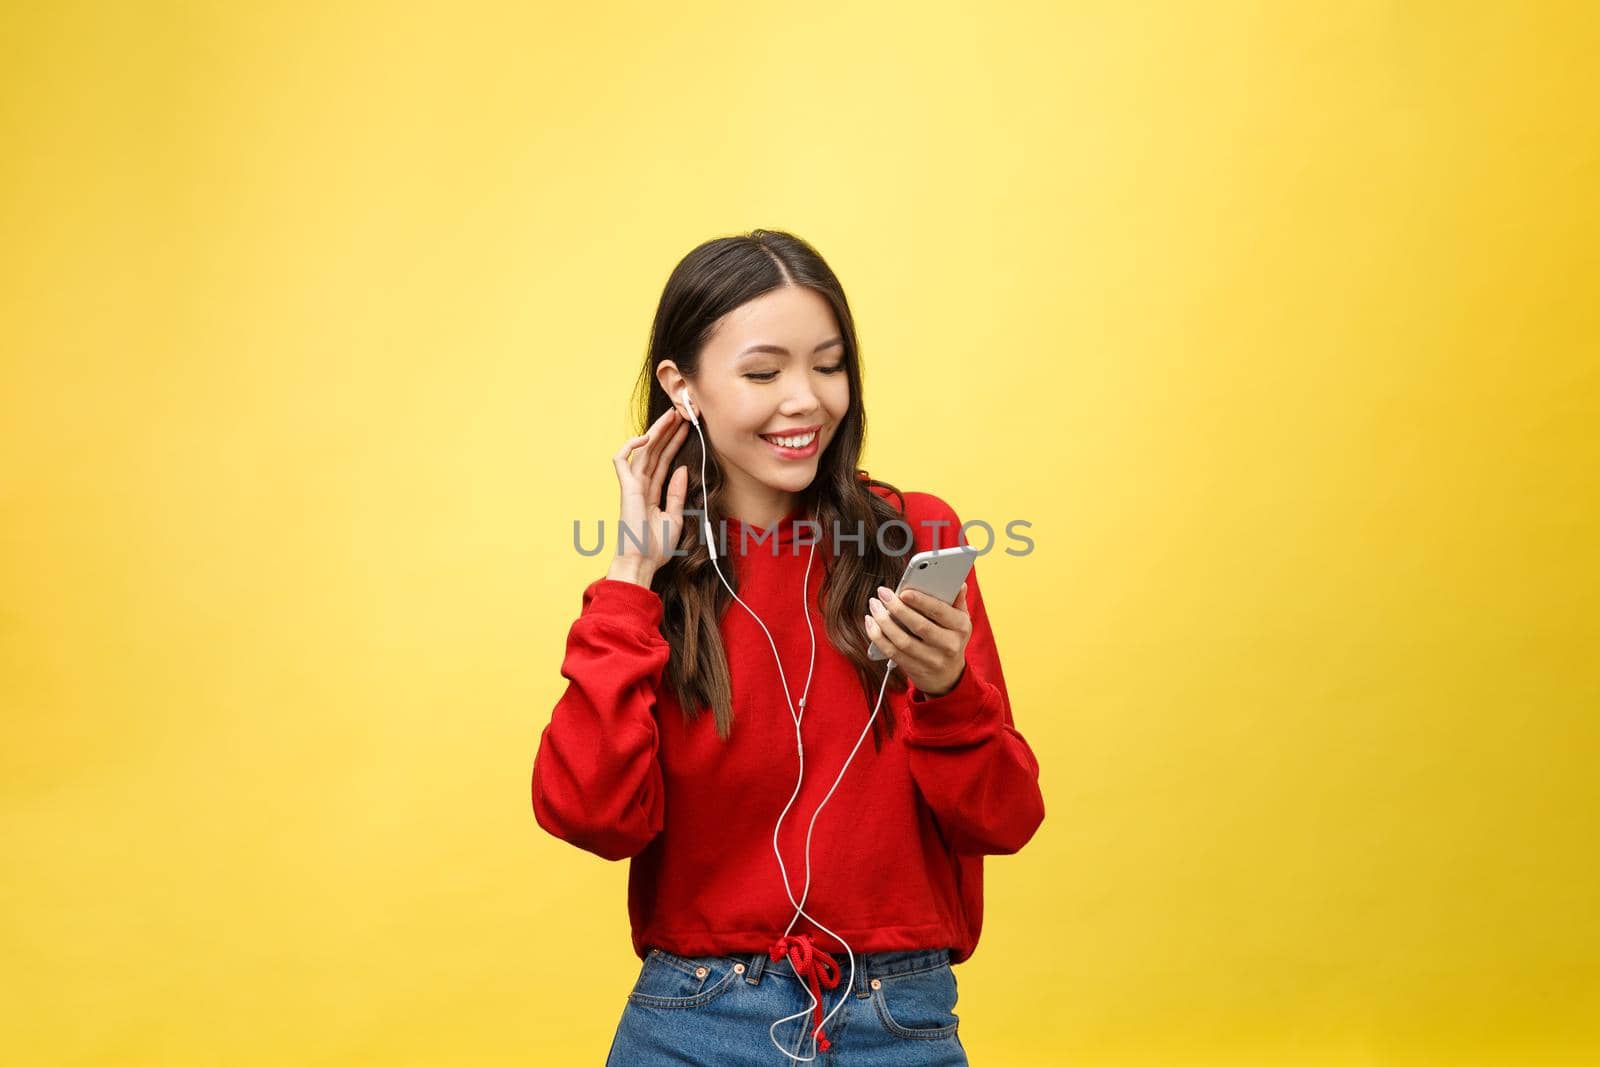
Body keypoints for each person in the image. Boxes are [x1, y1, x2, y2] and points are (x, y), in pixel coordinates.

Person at [532, 229, 1045, 1065]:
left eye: (830, 364)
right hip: (691, 1018)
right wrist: (630, 571)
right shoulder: (656, 580)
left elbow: (1009, 816)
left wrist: (947, 689)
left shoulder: (916, 538)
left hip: (895, 1019)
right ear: (682, 386)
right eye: (764, 373)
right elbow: (590, 815)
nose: (806, 399)